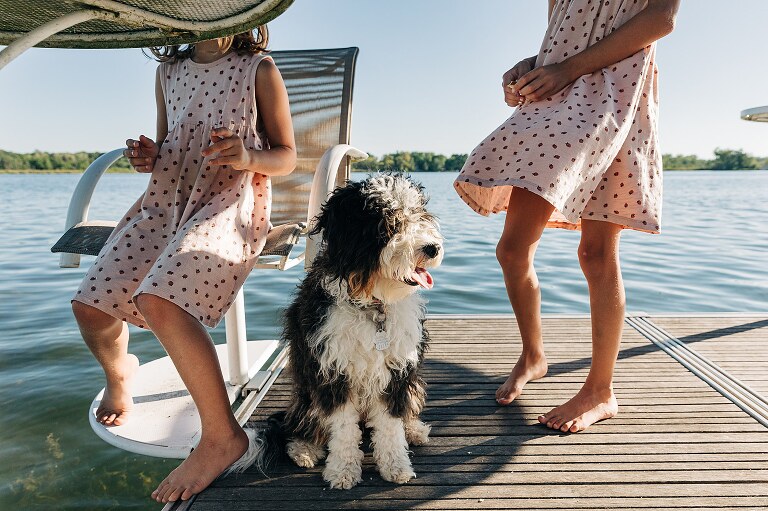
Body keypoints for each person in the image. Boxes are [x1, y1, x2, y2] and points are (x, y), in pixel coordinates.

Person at [71, 27, 296, 503]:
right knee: (90, 304)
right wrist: (150, 155)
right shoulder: (167, 71)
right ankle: (121, 374)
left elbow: (287, 157)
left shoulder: (258, 69)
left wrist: (249, 154)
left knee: (159, 299)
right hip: (167, 203)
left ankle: (222, 436)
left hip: (228, 205)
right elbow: (168, 145)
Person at [454, 0, 680, 433]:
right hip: (559, 96)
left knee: (596, 254)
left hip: (616, 100)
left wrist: (567, 68)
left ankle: (600, 390)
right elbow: (566, 30)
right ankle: (534, 355)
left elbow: (661, 19)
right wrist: (533, 66)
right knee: (512, 249)